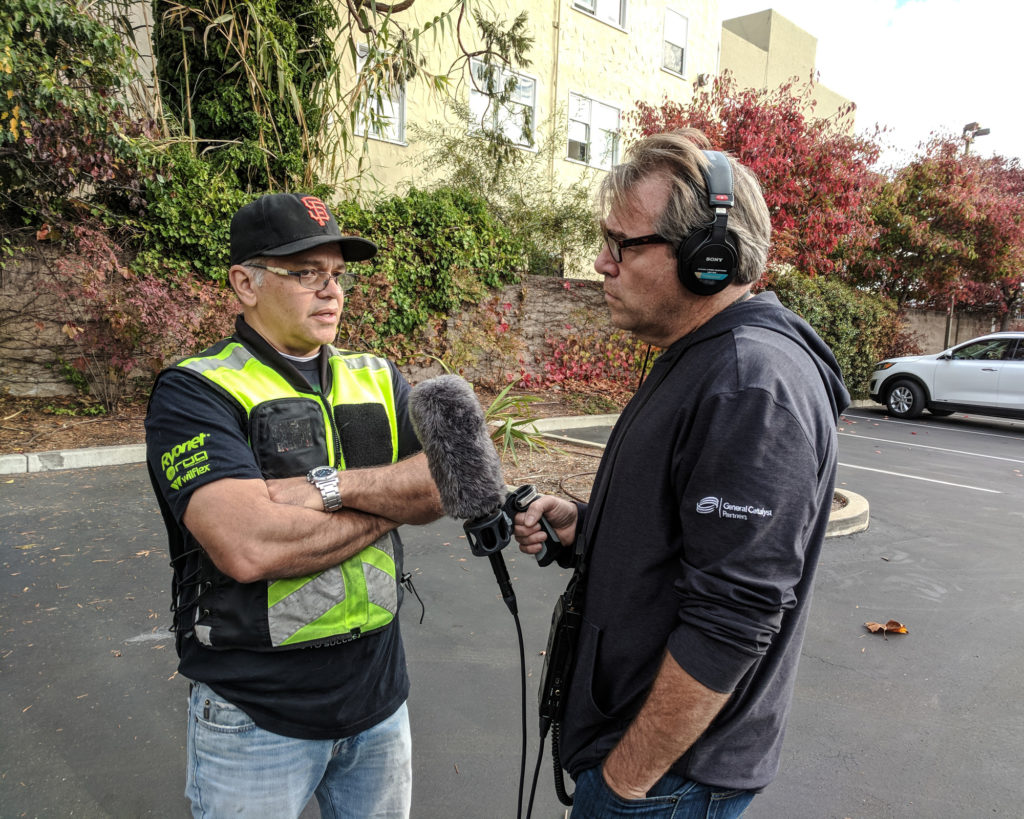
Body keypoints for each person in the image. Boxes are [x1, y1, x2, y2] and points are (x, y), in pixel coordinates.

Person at [514, 129, 850, 817]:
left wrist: (626, 781)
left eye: (622, 243)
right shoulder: (701, 357)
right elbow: (687, 534)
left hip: (667, 780)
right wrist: (586, 528)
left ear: (707, 259)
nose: (602, 263)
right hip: (652, 765)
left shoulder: (749, 384)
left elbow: (734, 615)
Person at [145, 192, 443, 818]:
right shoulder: (197, 389)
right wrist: (393, 501)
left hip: (380, 702)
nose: (330, 291)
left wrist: (331, 489)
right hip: (256, 715)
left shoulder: (377, 375)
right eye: (306, 273)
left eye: (337, 275)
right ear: (244, 283)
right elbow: (249, 546)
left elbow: (447, 483)